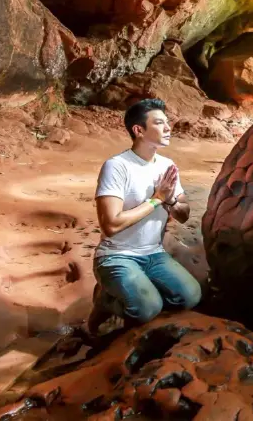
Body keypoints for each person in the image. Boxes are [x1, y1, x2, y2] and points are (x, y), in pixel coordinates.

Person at [87, 98, 201, 334]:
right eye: (159, 123)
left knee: (190, 296)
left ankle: (138, 292)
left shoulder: (167, 165)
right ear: (138, 130)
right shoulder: (117, 166)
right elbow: (111, 224)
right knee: (147, 308)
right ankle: (107, 301)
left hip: (154, 254)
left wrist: (170, 200)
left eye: (167, 122)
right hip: (117, 256)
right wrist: (157, 199)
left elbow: (184, 215)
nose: (168, 128)